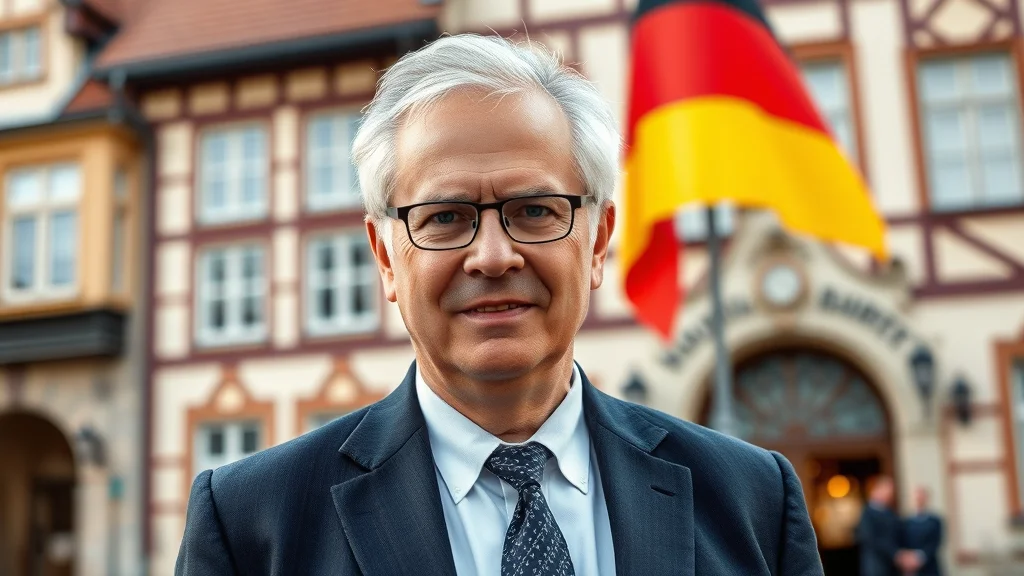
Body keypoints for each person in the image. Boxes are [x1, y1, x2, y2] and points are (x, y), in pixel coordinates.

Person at [174, 34, 824, 576]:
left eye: (535, 210)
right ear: (385, 256)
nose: (492, 256)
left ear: (598, 242)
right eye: (445, 217)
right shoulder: (251, 524)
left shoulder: (752, 500)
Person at [857, 476, 919, 576]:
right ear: (877, 490)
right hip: (877, 567)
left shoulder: (890, 513)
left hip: (892, 568)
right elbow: (870, 539)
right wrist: (895, 553)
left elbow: (900, 533)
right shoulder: (867, 514)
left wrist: (907, 555)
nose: (890, 494)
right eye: (888, 490)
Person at [901, 486, 943, 575]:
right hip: (912, 568)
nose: (919, 499)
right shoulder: (906, 522)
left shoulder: (935, 521)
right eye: (916, 497)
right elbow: (903, 542)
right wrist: (909, 559)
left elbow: (936, 542)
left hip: (930, 566)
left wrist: (921, 556)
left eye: (921, 496)